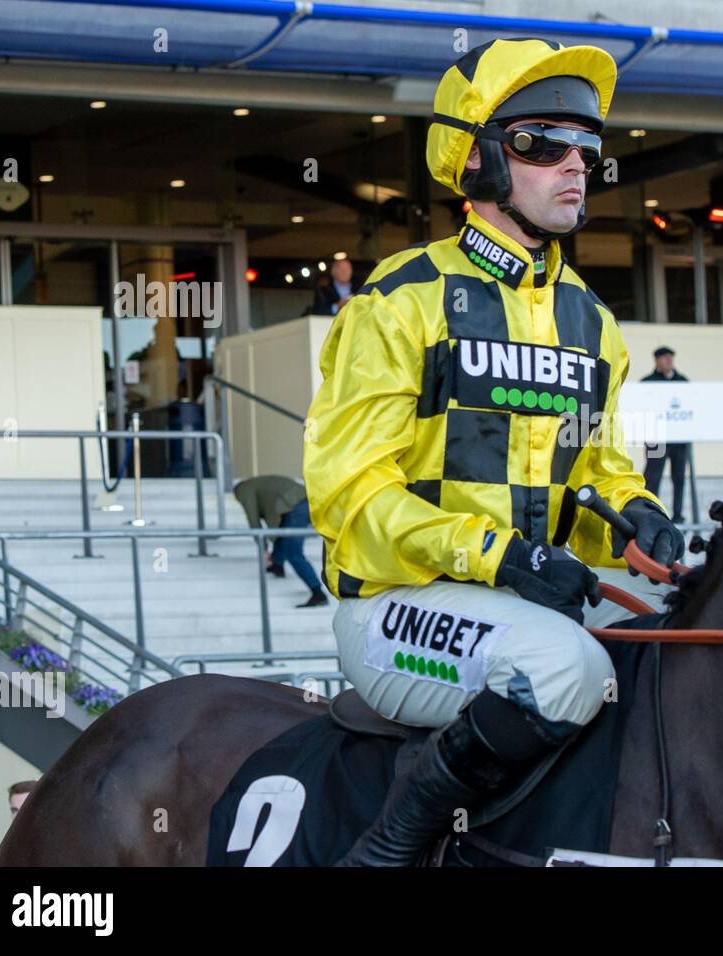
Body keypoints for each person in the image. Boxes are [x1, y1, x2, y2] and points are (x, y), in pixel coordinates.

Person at [303, 37, 685, 867]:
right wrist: (497, 555)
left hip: (521, 608)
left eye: (586, 147)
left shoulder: (594, 322)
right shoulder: (399, 302)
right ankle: (393, 841)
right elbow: (351, 496)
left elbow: (595, 474)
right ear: (475, 160)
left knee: (686, 649)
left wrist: (635, 518)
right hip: (394, 614)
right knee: (565, 671)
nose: (573, 165)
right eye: (539, 144)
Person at [233, 475, 327, 608]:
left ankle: (318, 593)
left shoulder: (243, 490)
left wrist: (263, 549)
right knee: (283, 537)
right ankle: (277, 564)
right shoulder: (256, 484)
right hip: (305, 501)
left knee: (293, 552)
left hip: (294, 506)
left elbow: (253, 519)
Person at [640, 345, 691, 523]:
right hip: (657, 438)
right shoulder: (647, 383)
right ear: (657, 360)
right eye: (665, 357)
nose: (668, 360)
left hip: (679, 438)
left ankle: (678, 514)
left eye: (671, 357)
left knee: (679, 477)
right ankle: (650, 512)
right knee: (652, 477)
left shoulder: (683, 381)